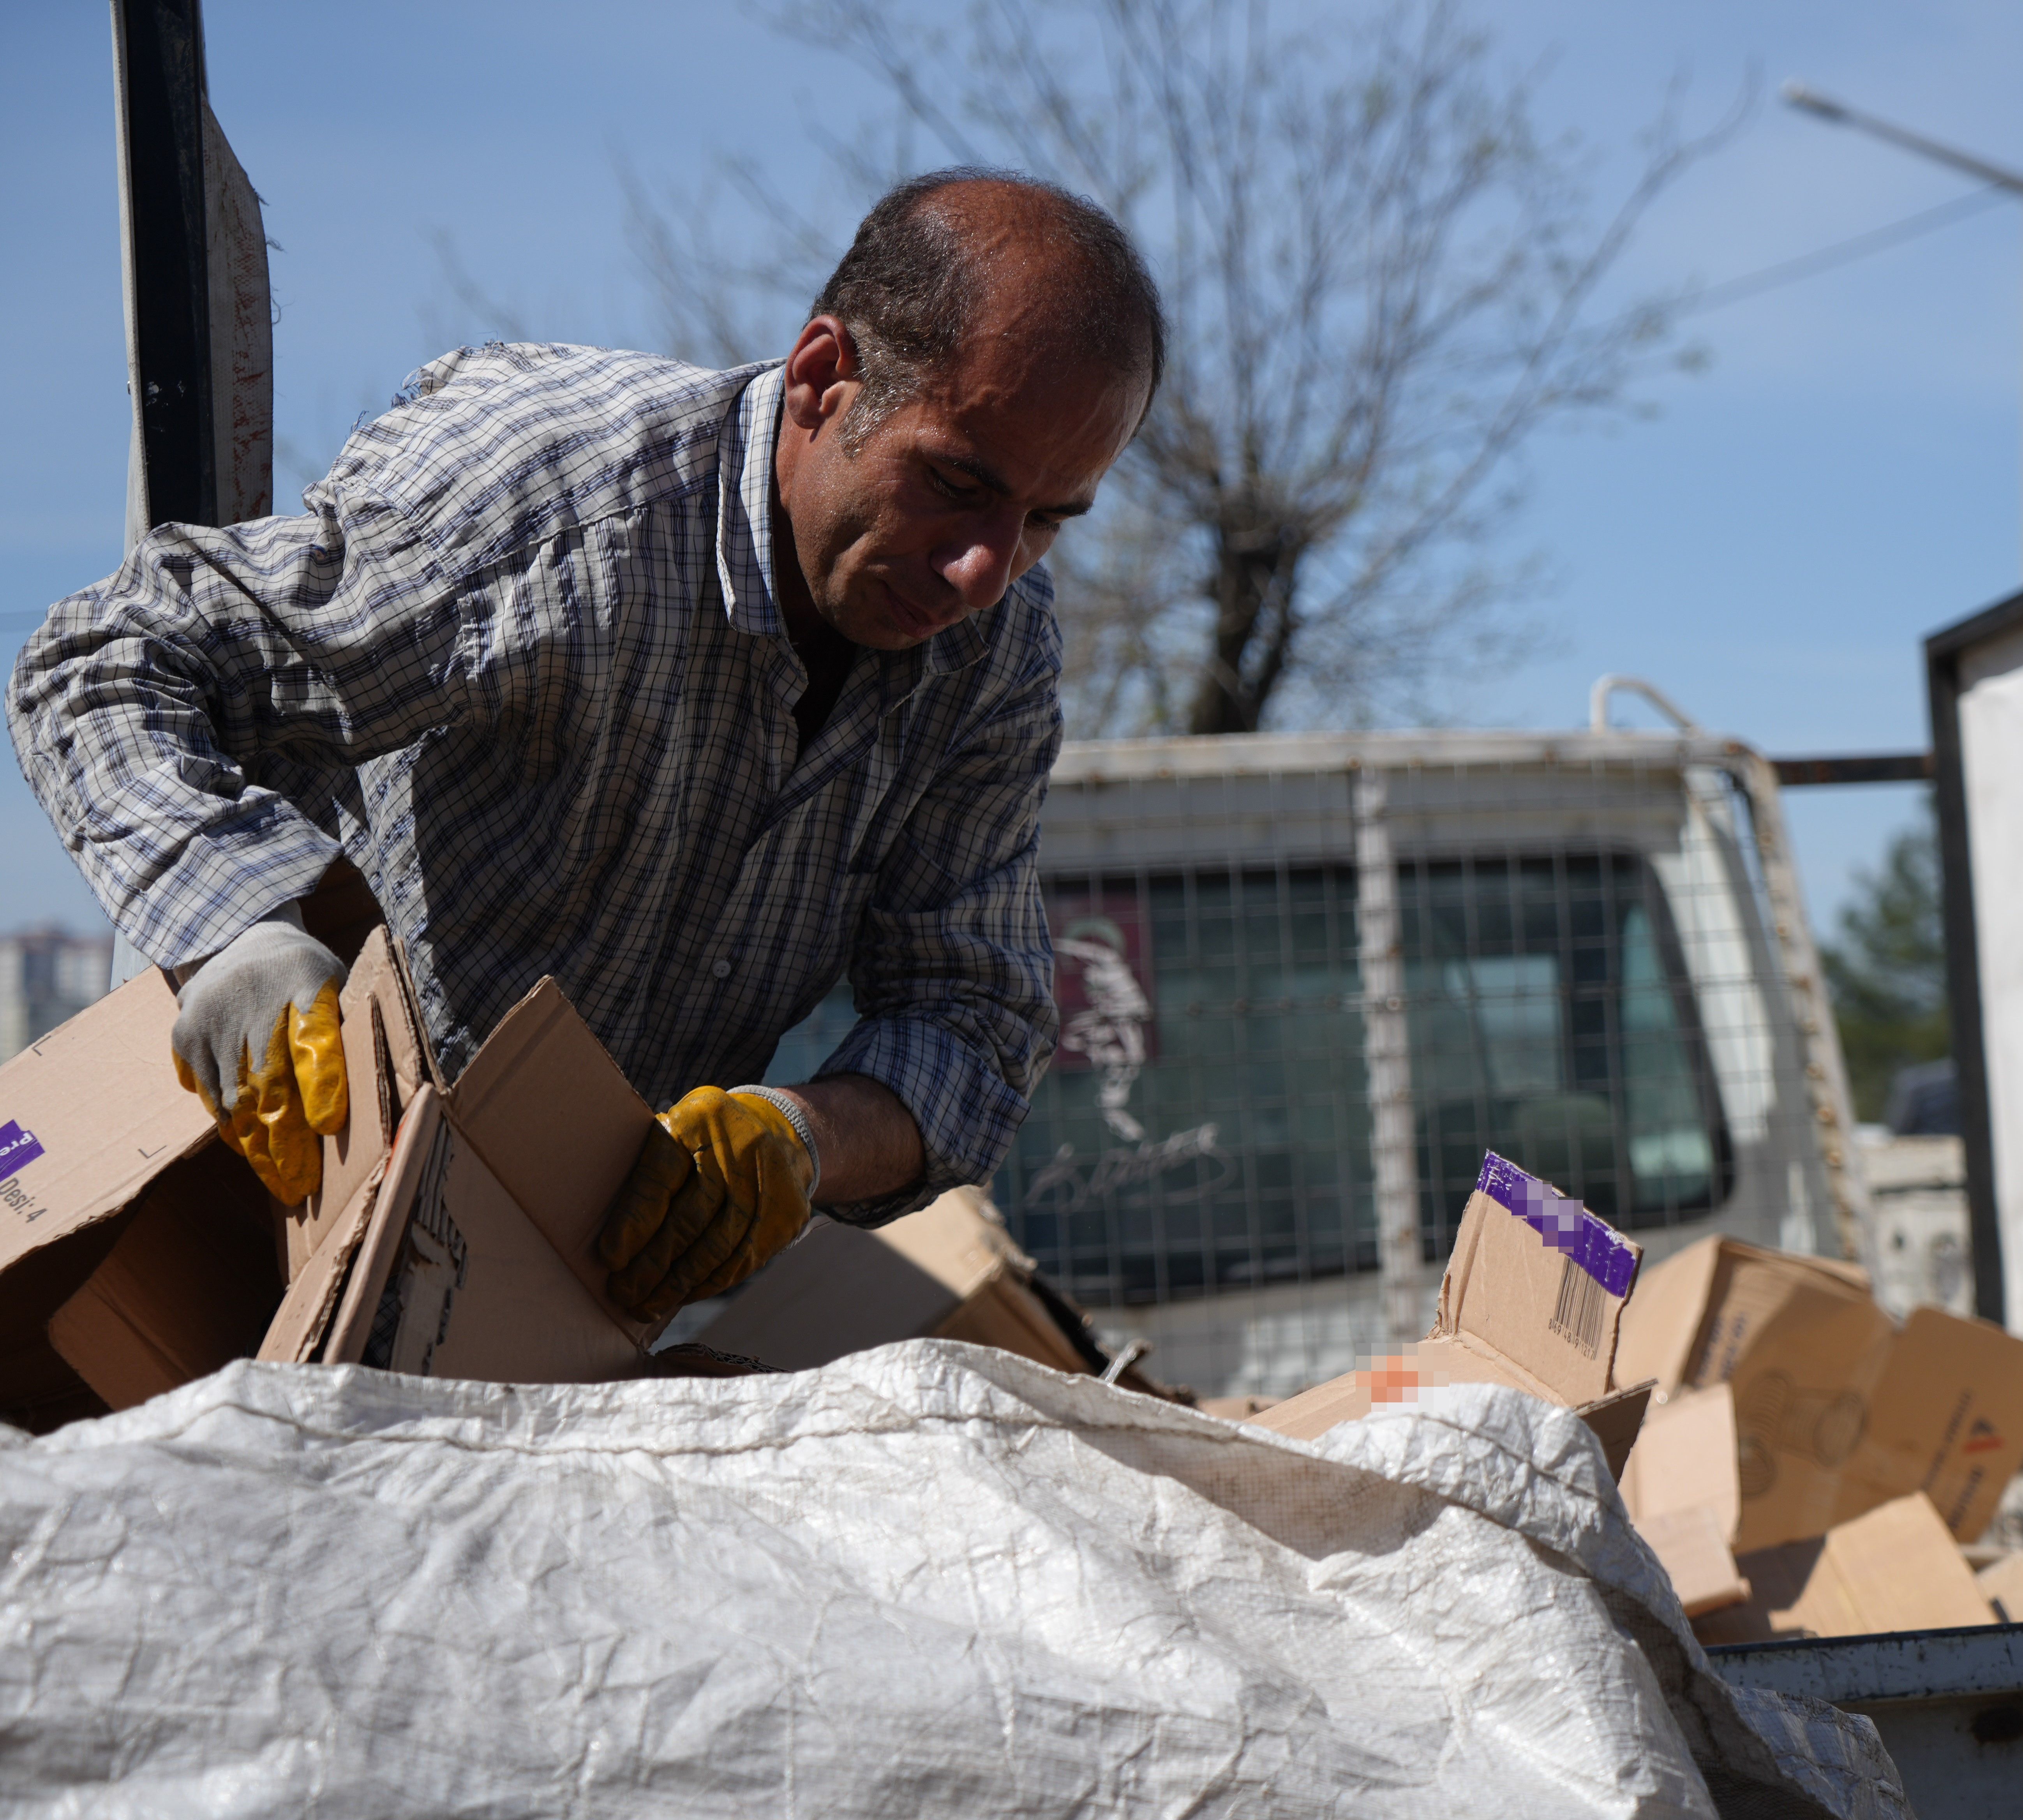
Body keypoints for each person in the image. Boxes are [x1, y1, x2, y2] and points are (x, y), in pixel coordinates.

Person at [10, 170, 1162, 1322]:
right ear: (823, 380)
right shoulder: (548, 499)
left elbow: (977, 1025)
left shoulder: (993, 658)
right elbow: (105, 661)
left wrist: (802, 1138)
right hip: (264, 1203)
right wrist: (236, 937)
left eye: (1049, 517)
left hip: (547, 1306)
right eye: (957, 482)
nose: (985, 571)